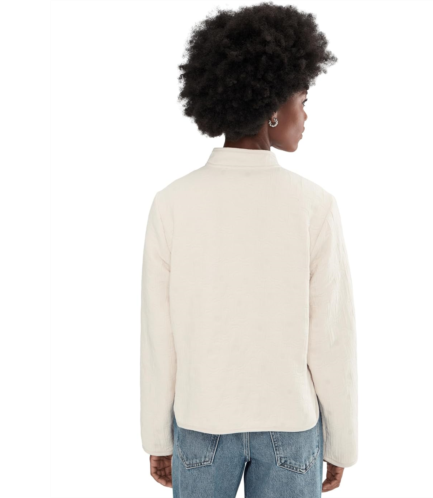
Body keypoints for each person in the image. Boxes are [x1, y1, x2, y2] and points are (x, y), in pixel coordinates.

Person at [140, 3, 358, 496]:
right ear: (273, 107)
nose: (306, 115)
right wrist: (342, 442)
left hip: (200, 422)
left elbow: (158, 334)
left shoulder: (172, 203)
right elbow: (331, 338)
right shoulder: (314, 206)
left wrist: (156, 435)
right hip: (291, 426)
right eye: (303, 100)